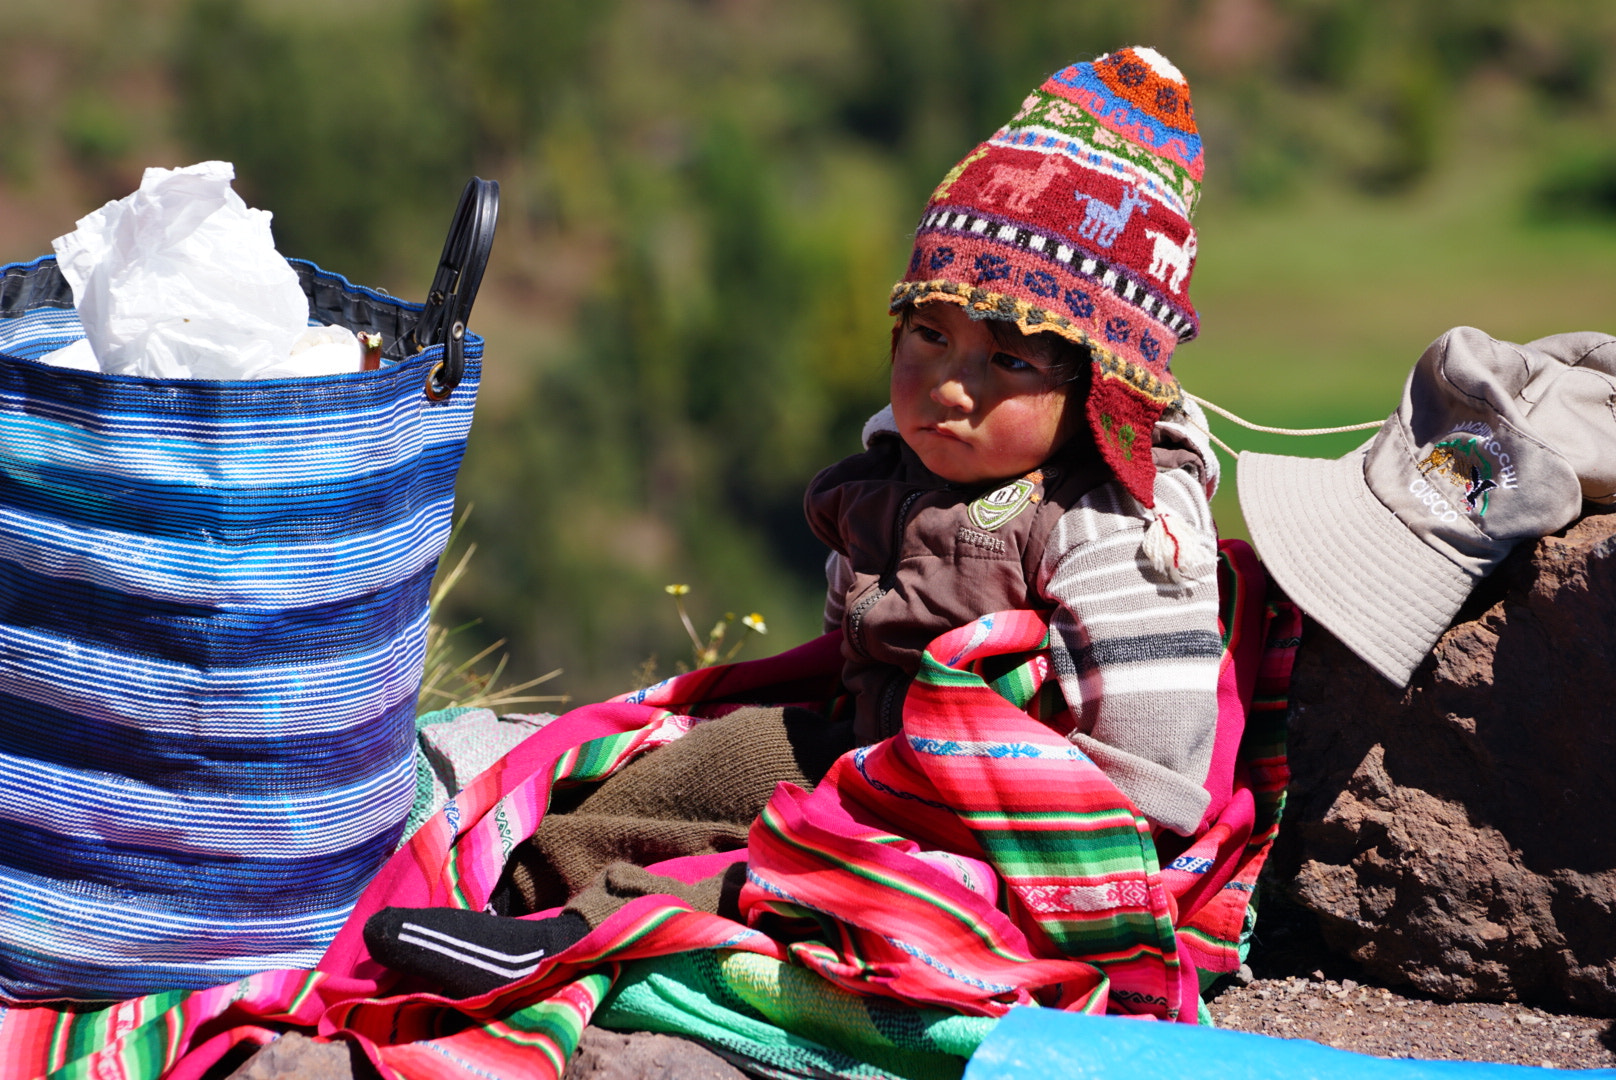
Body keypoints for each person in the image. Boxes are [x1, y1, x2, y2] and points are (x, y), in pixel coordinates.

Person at [365, 44, 1222, 997]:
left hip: (1002, 827)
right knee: (703, 768)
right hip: (867, 749)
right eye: (929, 336)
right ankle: (514, 886)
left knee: (807, 876)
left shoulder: (1118, 524)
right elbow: (855, 613)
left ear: (1100, 390)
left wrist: (1072, 860)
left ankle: (581, 933)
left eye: (1011, 363)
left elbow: (1153, 747)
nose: (949, 384)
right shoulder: (896, 462)